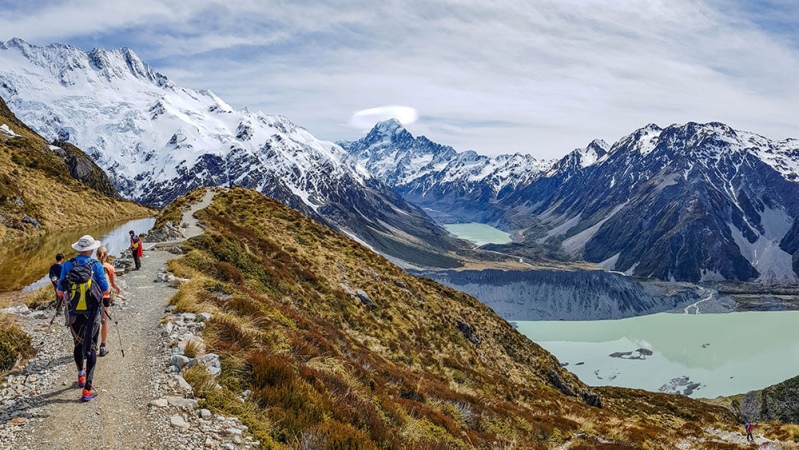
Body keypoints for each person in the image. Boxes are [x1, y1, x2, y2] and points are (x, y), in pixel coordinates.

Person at [56, 235, 110, 402]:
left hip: (73, 313)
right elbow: (105, 289)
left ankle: (80, 375)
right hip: (92, 313)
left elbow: (59, 291)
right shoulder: (96, 266)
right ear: (92, 250)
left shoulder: (68, 264)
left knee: (78, 344)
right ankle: (87, 389)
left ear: (78, 249)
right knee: (91, 346)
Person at [96, 246, 121, 357]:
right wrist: (117, 289)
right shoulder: (109, 267)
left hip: (94, 297)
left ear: (96, 255)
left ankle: (91, 344)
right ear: (106, 255)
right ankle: (103, 346)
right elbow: (112, 284)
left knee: (93, 320)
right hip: (105, 297)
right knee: (104, 321)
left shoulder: (93, 266)